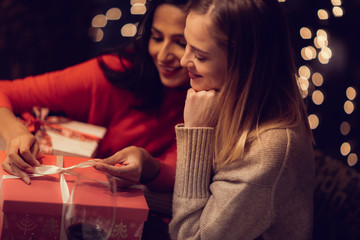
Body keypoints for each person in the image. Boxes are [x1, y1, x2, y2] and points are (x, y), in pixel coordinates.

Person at [0, 0, 189, 193]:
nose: (163, 55)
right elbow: (4, 91)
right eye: (156, 38)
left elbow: (184, 176)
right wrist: (16, 132)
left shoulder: (211, 103)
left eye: (181, 43)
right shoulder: (114, 73)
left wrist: (147, 164)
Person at [169, 0, 315, 239]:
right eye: (186, 45)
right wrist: (146, 178)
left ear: (247, 65)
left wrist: (195, 133)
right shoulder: (230, 104)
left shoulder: (270, 149)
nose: (184, 61)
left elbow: (189, 236)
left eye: (200, 56)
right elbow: (202, 203)